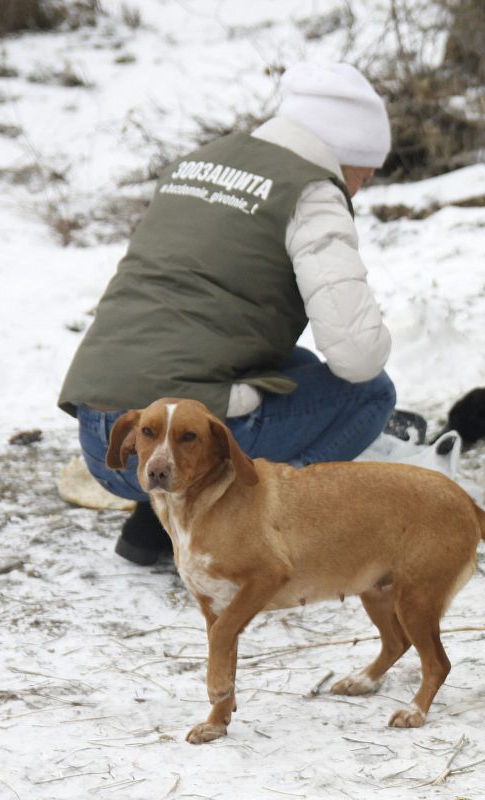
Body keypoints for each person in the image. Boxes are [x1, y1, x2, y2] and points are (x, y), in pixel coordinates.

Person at [59, 62, 402, 566]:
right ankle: (244, 523)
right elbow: (357, 358)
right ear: (344, 155)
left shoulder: (201, 161)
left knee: (300, 366)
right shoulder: (311, 192)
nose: (357, 191)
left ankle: (153, 525)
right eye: (362, 176)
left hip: (109, 440)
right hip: (171, 443)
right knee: (371, 395)